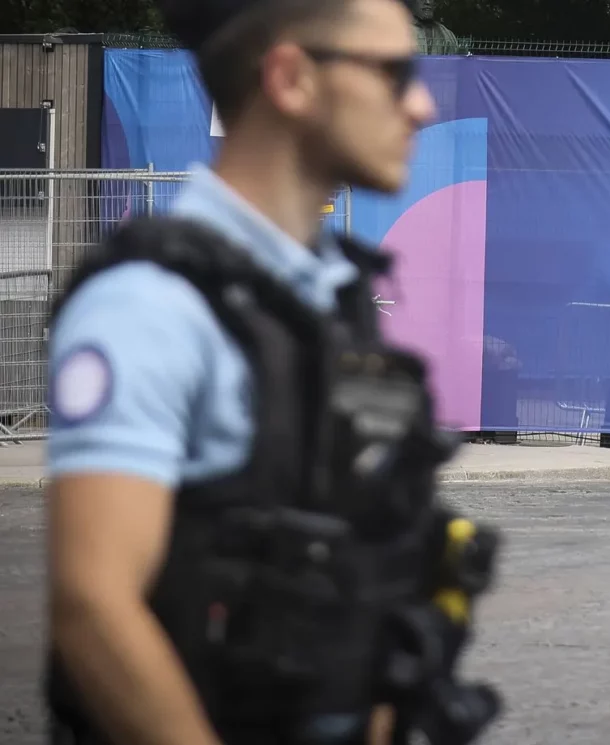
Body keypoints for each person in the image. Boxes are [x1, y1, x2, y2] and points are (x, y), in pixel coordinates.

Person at [43, 1, 501, 744]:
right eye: (392, 72)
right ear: (290, 78)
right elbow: (95, 608)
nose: (419, 105)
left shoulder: (330, 299)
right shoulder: (150, 305)